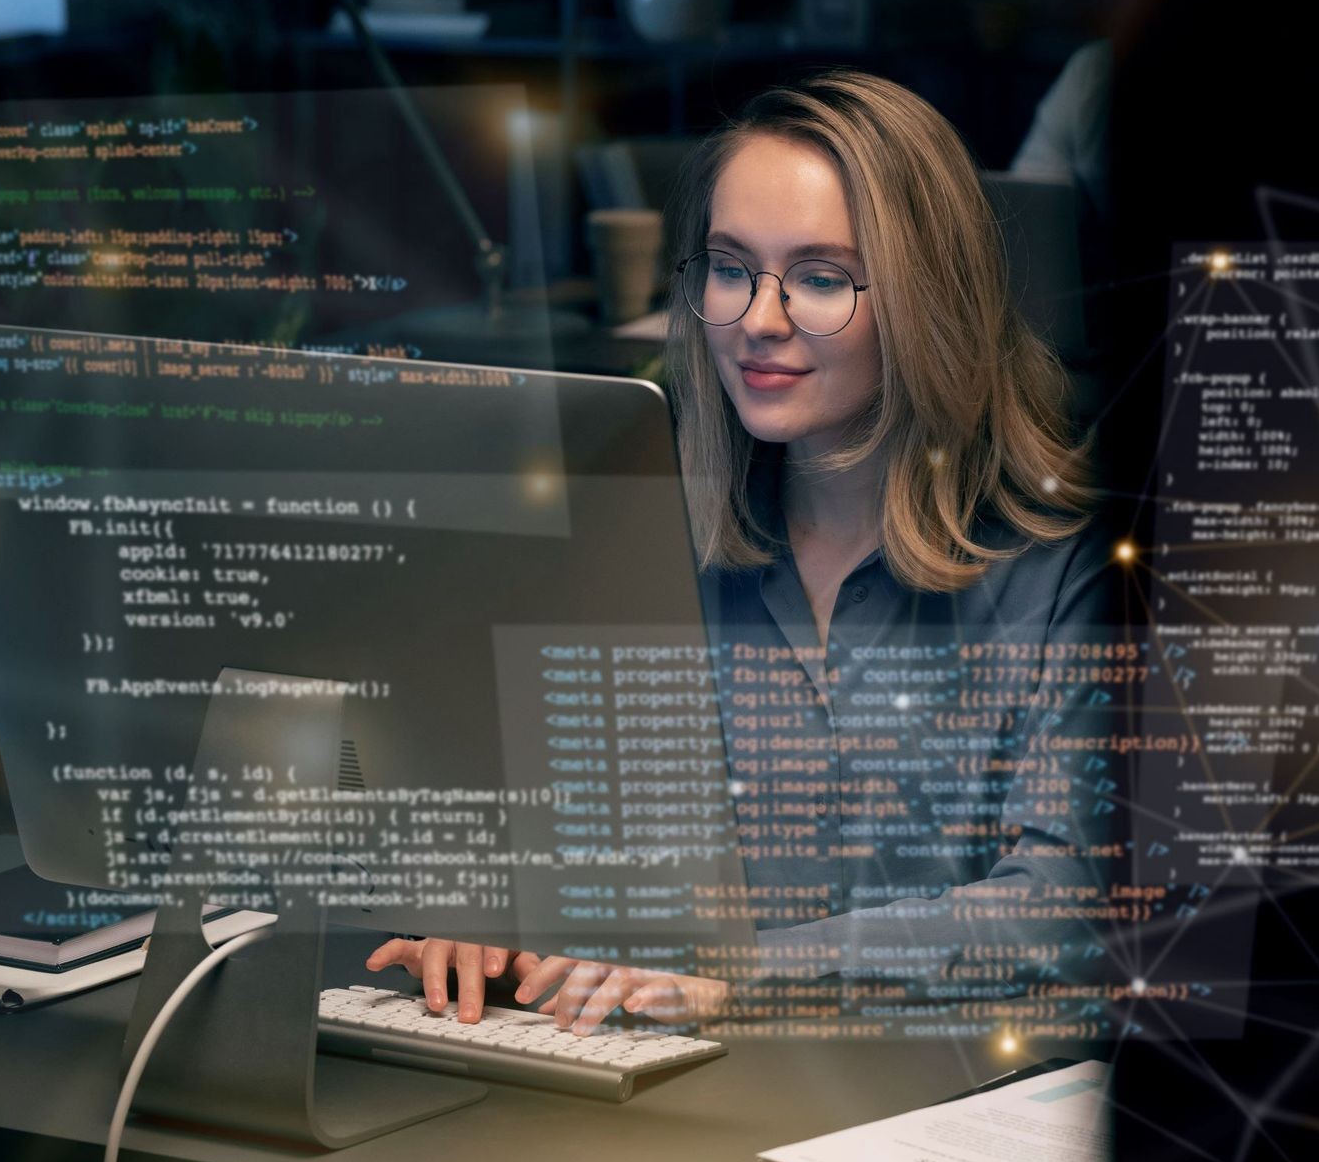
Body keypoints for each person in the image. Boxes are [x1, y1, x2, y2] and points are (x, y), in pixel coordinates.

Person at [368, 70, 1119, 1035]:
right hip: (655, 1091)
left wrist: (742, 974)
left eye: (819, 278)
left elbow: (1061, 904)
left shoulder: (1071, 568)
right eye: (731, 268)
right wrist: (485, 912)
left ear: (933, 300)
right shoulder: (642, 536)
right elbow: (533, 822)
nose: (758, 321)